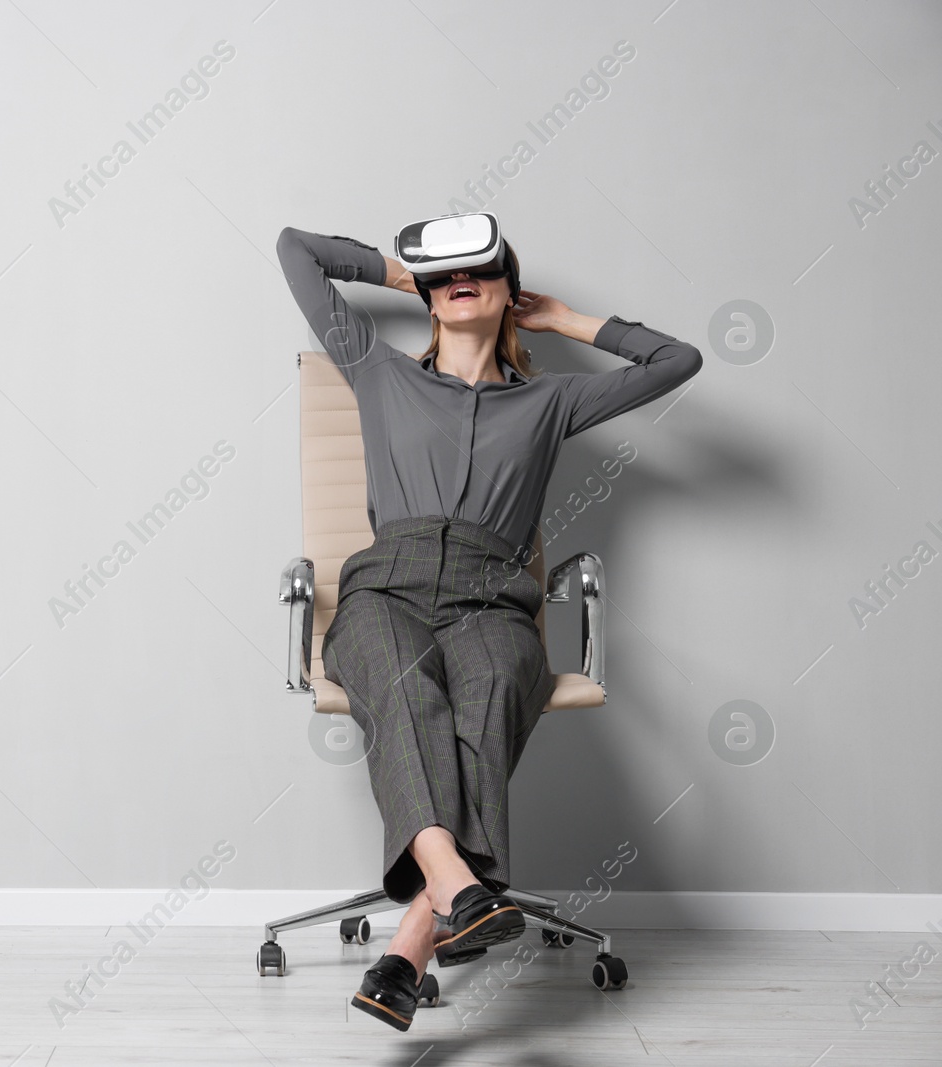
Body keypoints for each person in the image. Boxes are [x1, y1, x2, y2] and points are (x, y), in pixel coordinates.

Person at [274, 224, 702, 1031]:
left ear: (510, 290)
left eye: (481, 271)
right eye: (449, 277)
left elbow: (677, 361)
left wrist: (566, 320)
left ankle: (415, 933)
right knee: (408, 691)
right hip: (384, 591)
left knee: (497, 685)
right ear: (433, 298)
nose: (461, 280)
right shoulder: (376, 368)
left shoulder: (552, 399)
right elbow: (295, 249)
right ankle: (449, 898)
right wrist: (411, 278)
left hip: (495, 600)